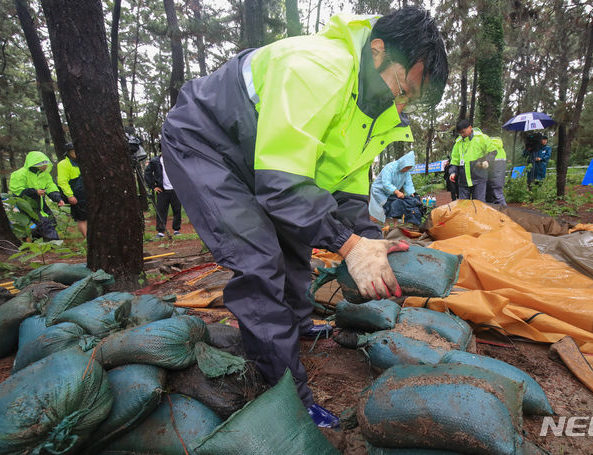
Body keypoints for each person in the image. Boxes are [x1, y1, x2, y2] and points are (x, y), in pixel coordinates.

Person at [161, 7, 447, 428]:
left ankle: (295, 322)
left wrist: (368, 239)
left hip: (263, 156)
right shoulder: (317, 67)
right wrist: (350, 247)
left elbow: (345, 189)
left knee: (294, 236)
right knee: (258, 256)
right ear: (378, 52)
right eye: (401, 87)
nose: (400, 102)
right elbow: (281, 184)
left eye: (410, 98)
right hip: (209, 141)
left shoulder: (373, 112)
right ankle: (285, 393)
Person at [9, 151, 65, 240]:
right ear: (34, 164)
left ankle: (34, 239)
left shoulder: (44, 174)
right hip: (27, 204)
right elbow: (17, 190)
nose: (45, 166)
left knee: (51, 221)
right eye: (42, 163)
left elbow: (50, 186)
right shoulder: (19, 174)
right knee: (44, 223)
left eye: (46, 163)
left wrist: (58, 199)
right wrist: (35, 192)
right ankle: (54, 244)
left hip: (40, 203)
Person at [447, 119, 496, 201]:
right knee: (463, 205)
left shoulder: (482, 138)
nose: (462, 135)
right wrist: (452, 172)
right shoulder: (458, 143)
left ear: (470, 127)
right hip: (463, 180)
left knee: (478, 205)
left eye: (463, 132)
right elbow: (454, 161)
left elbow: (493, 151)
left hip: (479, 178)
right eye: (460, 133)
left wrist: (487, 161)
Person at [369, 150, 420, 224]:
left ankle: (394, 226)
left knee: (396, 205)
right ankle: (385, 226)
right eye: (406, 168)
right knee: (386, 206)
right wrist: (397, 192)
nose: (407, 170)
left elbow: (408, 184)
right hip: (379, 190)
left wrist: (412, 193)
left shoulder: (406, 172)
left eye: (409, 168)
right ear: (403, 164)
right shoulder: (389, 168)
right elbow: (386, 183)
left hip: (391, 191)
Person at [144, 150, 182, 237]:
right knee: (161, 211)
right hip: (162, 190)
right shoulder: (155, 161)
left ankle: (176, 230)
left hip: (175, 190)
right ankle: (161, 231)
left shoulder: (175, 159)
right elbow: (147, 173)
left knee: (177, 209)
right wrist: (153, 186)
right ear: (161, 150)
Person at [57, 142, 87, 238]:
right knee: (82, 217)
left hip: (88, 193)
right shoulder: (63, 164)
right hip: (76, 194)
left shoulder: (85, 162)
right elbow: (62, 181)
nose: (76, 153)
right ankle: (87, 238)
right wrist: (70, 195)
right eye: (73, 151)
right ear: (68, 153)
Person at [485, 136, 507, 207]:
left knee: (498, 197)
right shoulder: (502, 150)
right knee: (499, 196)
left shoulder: (491, 150)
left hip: (493, 177)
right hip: (500, 178)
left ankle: (505, 213)